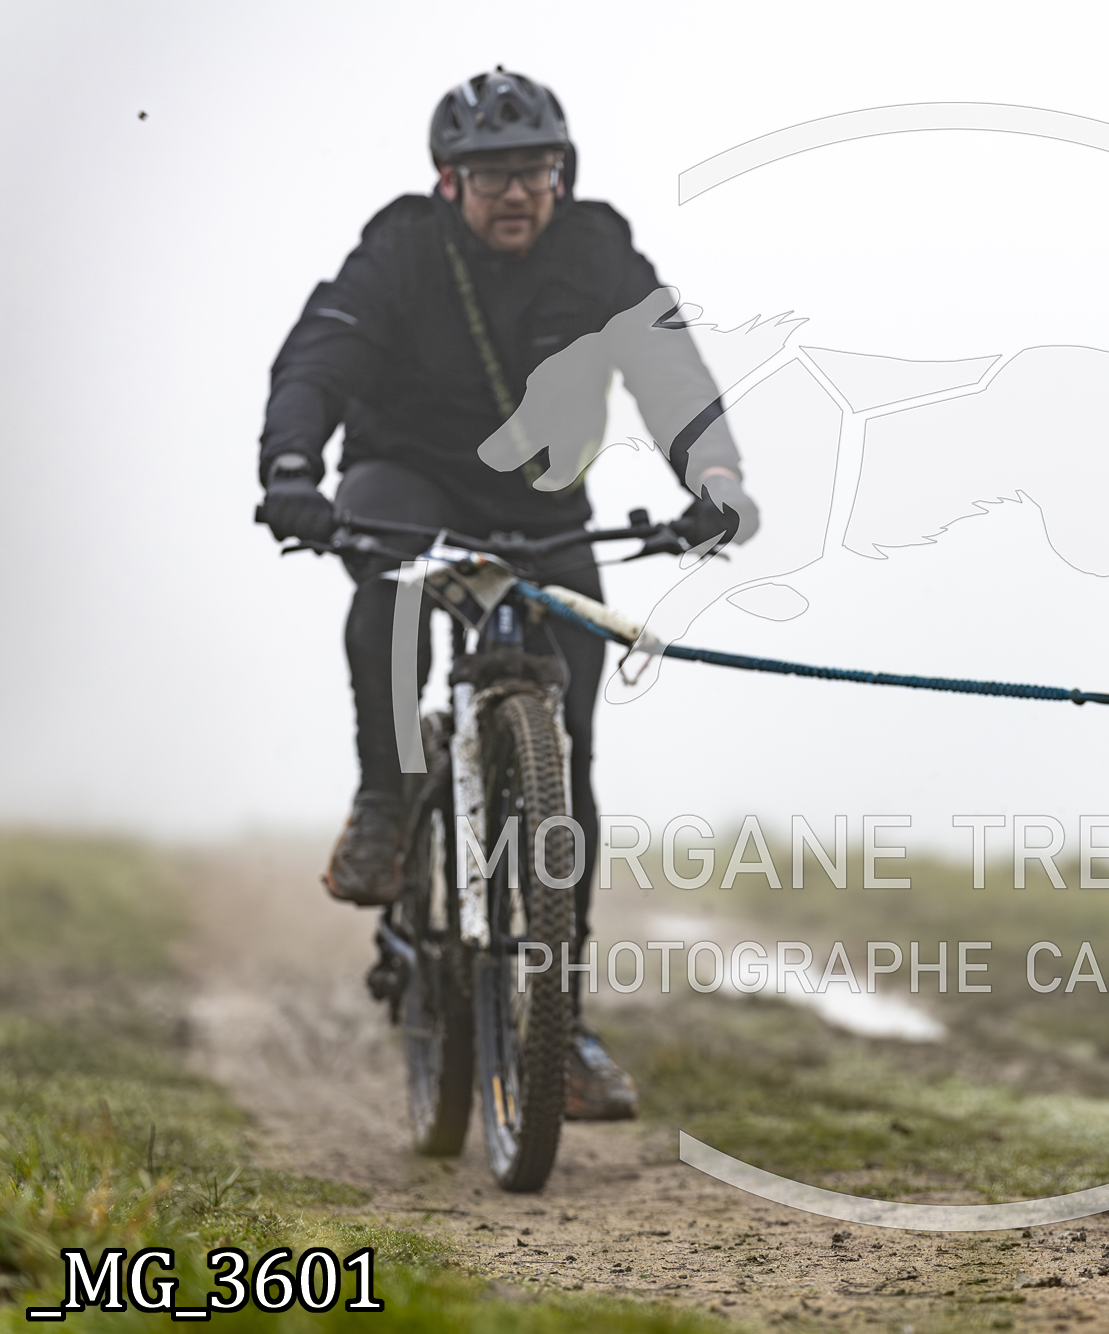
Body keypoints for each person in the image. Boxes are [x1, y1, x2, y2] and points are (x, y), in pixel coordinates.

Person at [257, 68, 758, 1120]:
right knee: (390, 589)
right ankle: (389, 792)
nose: (517, 192)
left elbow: (670, 371)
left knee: (567, 756)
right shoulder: (402, 248)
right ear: (450, 182)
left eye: (535, 170)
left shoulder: (598, 250)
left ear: (562, 173)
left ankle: (556, 1025)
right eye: (491, 175)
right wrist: (293, 469)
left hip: (542, 511)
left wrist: (713, 477)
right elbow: (321, 355)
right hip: (406, 481)